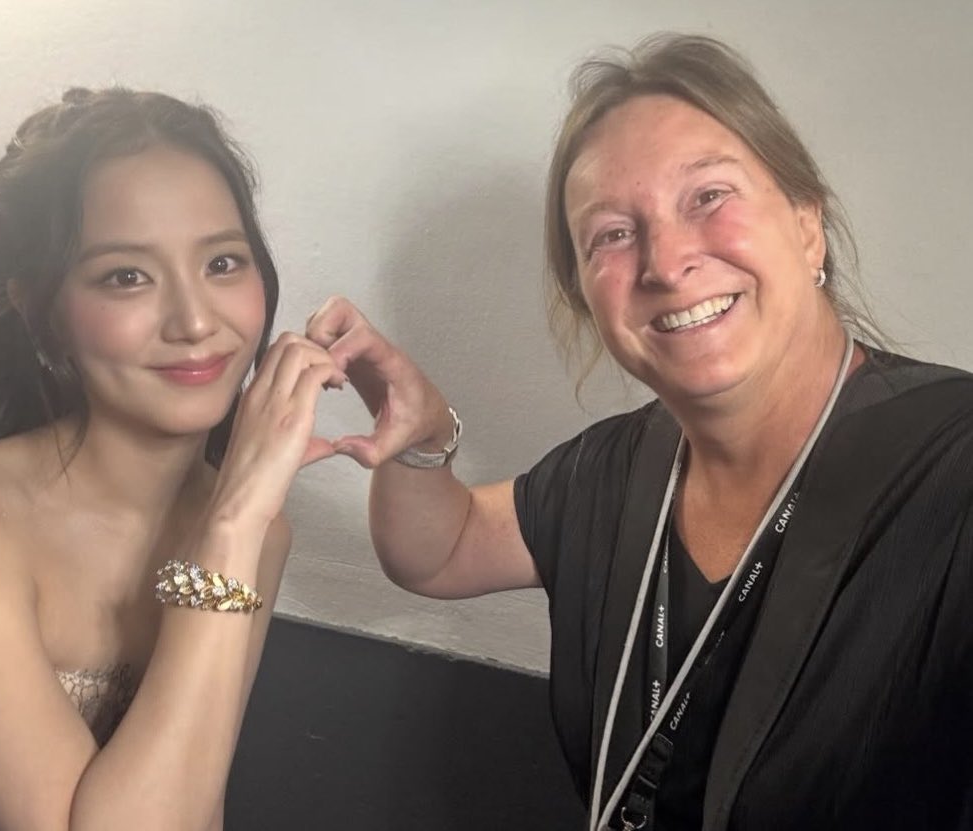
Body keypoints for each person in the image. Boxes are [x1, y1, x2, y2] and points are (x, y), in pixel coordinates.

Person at [305, 33, 973, 831]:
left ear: (806, 224)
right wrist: (417, 431)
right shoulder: (620, 469)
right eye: (613, 234)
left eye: (708, 196)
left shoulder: (950, 465)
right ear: (589, 295)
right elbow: (438, 549)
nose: (666, 260)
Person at [0, 87, 343, 830]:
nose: (195, 320)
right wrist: (229, 530)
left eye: (223, 261)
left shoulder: (255, 528)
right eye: (127, 276)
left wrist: (420, 451)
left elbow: (193, 807)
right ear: (40, 314)